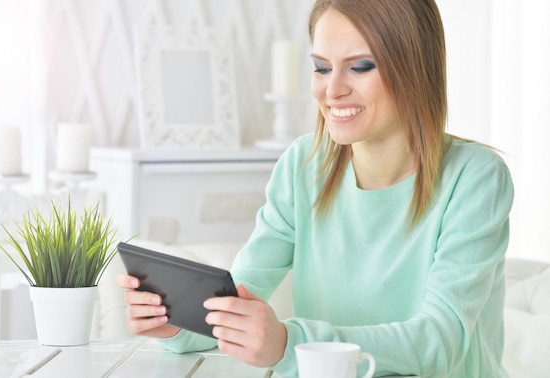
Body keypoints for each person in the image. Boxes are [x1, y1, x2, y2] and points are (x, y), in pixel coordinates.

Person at [116, 0, 514, 376]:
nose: (332, 89)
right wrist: (176, 322)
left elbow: (440, 341)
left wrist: (289, 344)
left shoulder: (476, 177)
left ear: (415, 68)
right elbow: (239, 293)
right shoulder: (303, 165)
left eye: (360, 66)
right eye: (322, 68)